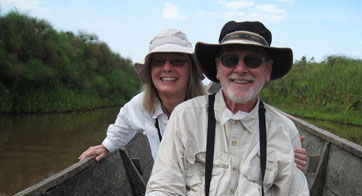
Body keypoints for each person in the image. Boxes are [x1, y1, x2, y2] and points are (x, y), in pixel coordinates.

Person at [139, 20, 325, 196]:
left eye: (252, 60)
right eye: (230, 59)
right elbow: (161, 189)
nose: (240, 69)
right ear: (217, 67)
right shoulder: (185, 117)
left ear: (268, 69)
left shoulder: (284, 129)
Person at [78, 29, 308, 172]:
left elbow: (243, 138)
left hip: (208, 191)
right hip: (168, 189)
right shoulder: (139, 106)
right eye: (159, 61)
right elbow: (122, 127)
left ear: (191, 70)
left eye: (178, 61)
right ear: (150, 70)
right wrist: (107, 145)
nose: (167, 68)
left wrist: (282, 150)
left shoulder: (214, 106)